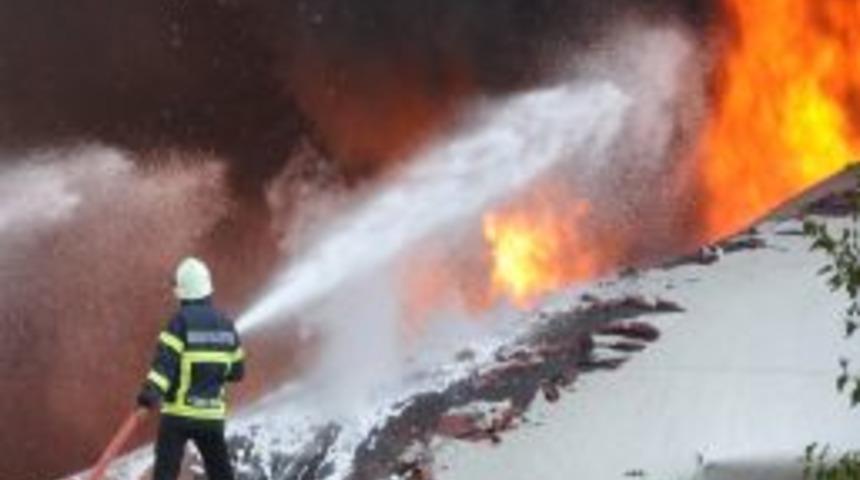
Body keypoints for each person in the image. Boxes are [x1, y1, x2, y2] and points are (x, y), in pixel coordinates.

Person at [137, 257, 245, 480]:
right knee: (220, 471)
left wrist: (149, 395)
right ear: (207, 289)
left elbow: (164, 365)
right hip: (211, 416)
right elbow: (237, 372)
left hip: (179, 414)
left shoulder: (179, 322)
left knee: (166, 471)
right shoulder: (227, 324)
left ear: (182, 291)